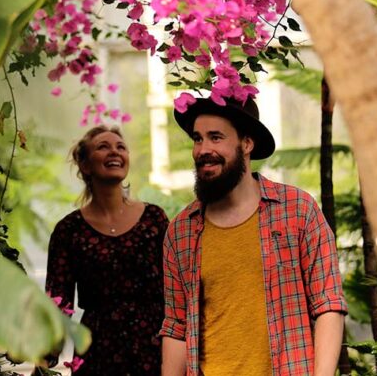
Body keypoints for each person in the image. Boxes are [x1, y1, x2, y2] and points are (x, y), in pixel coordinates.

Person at [159, 96, 348, 376]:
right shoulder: (181, 231)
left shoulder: (298, 211)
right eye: (198, 139)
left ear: (247, 144)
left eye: (215, 137)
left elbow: (328, 305)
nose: (203, 149)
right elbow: (176, 327)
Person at [45, 125, 169, 375]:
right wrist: (43, 353)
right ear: (85, 164)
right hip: (97, 354)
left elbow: (177, 289)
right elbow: (59, 303)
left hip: (155, 349)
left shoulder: (154, 219)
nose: (115, 152)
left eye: (121, 147)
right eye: (103, 147)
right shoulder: (69, 230)